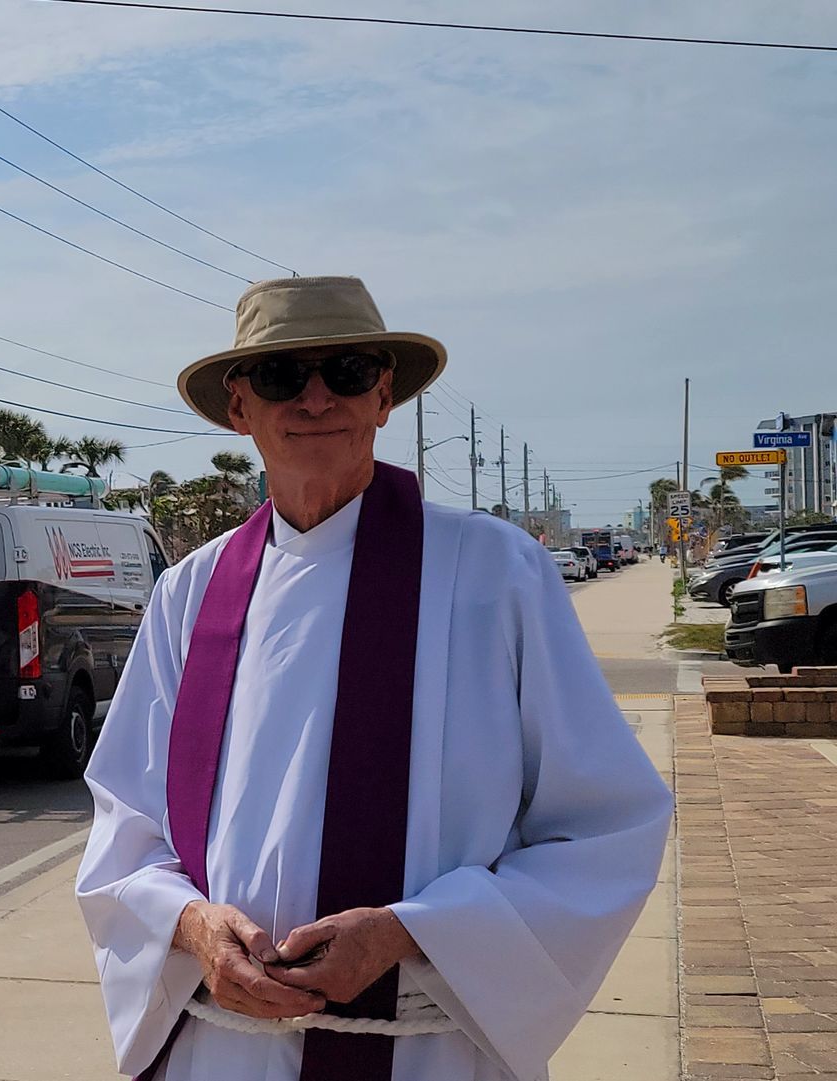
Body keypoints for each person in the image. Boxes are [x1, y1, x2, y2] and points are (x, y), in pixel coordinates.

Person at [77, 277, 671, 1081]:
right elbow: (126, 827)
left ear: (385, 396)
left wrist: (411, 933)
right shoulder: (191, 593)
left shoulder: (496, 574)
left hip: (417, 1048)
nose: (318, 397)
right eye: (285, 377)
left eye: (348, 371)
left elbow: (606, 825)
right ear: (240, 409)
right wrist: (189, 925)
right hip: (218, 1047)